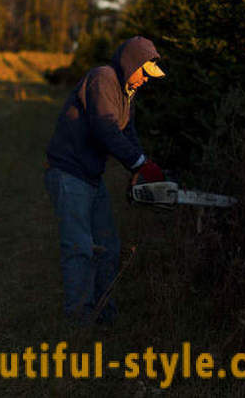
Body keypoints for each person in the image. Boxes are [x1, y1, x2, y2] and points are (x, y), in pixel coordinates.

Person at [44, 35, 166, 325]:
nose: (146, 80)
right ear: (131, 64)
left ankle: (103, 313)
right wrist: (137, 163)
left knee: (109, 246)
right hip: (69, 172)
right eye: (144, 73)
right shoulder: (103, 79)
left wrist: (142, 165)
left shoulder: (127, 94)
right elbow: (105, 128)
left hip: (91, 176)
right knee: (79, 247)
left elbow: (127, 134)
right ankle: (79, 320)